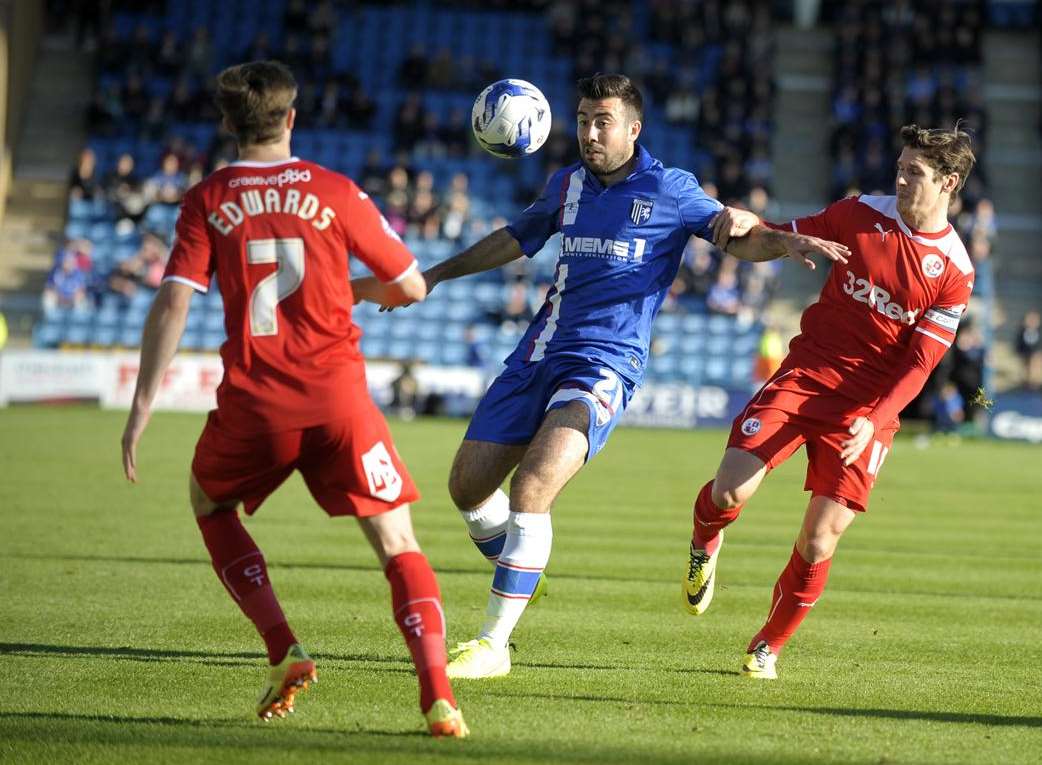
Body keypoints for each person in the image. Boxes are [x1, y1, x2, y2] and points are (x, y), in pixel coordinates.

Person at [359, 73, 847, 679]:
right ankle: (520, 571)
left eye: (603, 122)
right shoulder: (566, 183)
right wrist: (432, 277)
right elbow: (515, 239)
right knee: (465, 488)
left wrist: (776, 240)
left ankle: (492, 644)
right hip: (539, 351)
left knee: (533, 486)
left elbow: (732, 236)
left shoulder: (670, 189)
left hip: (605, 364)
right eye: (585, 119)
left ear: (633, 129)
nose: (590, 133)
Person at [119, 60, 468, 738]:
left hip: (256, 405)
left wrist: (141, 407)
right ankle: (438, 695)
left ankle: (284, 647)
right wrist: (355, 291)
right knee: (397, 541)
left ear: (228, 124)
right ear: (291, 118)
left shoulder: (207, 199)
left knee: (208, 501)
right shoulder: (335, 190)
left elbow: (172, 302)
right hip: (340, 399)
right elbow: (411, 285)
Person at [683, 124, 976, 679]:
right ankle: (704, 542)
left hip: (868, 411)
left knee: (818, 541)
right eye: (901, 165)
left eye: (915, 172)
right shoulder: (859, 213)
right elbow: (782, 239)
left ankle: (766, 646)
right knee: (728, 490)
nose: (900, 177)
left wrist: (877, 420)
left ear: (949, 182)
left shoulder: (955, 272)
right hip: (807, 375)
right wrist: (750, 226)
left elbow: (920, 365)